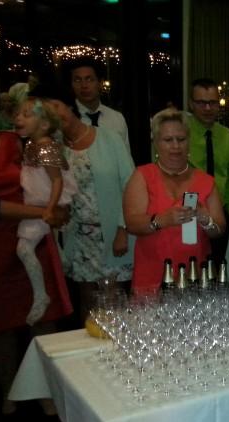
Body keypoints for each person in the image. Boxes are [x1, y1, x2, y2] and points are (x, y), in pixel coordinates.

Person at [0, 129, 72, 414]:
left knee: (43, 319)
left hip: (33, 235)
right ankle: (10, 390)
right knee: (0, 322)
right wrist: (46, 213)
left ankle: (46, 389)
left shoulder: (13, 140)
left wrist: (59, 206)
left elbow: (47, 175)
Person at [47, 98, 134, 324]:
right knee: (87, 305)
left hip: (113, 235)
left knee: (113, 303)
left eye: (56, 106)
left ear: (69, 105)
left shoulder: (109, 138)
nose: (54, 114)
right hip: (78, 238)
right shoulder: (55, 149)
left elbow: (130, 184)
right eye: (47, 112)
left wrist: (123, 228)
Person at [123, 108, 225, 293]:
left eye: (181, 139)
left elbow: (219, 229)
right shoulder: (143, 175)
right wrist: (162, 220)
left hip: (195, 273)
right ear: (156, 143)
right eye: (168, 140)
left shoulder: (206, 181)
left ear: (189, 142)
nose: (176, 146)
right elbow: (131, 223)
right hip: (153, 273)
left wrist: (206, 220)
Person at [13, 97, 76, 325]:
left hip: (42, 205)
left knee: (23, 248)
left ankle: (41, 295)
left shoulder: (46, 147)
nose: (18, 118)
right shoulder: (32, 144)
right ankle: (62, 258)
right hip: (37, 203)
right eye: (18, 114)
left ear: (44, 124)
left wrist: (49, 208)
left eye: (26, 115)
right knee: (42, 243)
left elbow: (57, 181)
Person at [186, 78, 229, 266]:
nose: (208, 108)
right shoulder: (182, 134)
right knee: (190, 264)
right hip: (189, 210)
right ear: (191, 104)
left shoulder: (227, 137)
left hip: (220, 214)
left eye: (212, 102)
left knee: (216, 266)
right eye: (201, 103)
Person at [69, 58, 130, 152]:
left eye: (89, 79)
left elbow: (125, 156)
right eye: (77, 80)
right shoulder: (67, 120)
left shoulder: (116, 118)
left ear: (100, 83)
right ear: (72, 85)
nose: (84, 85)